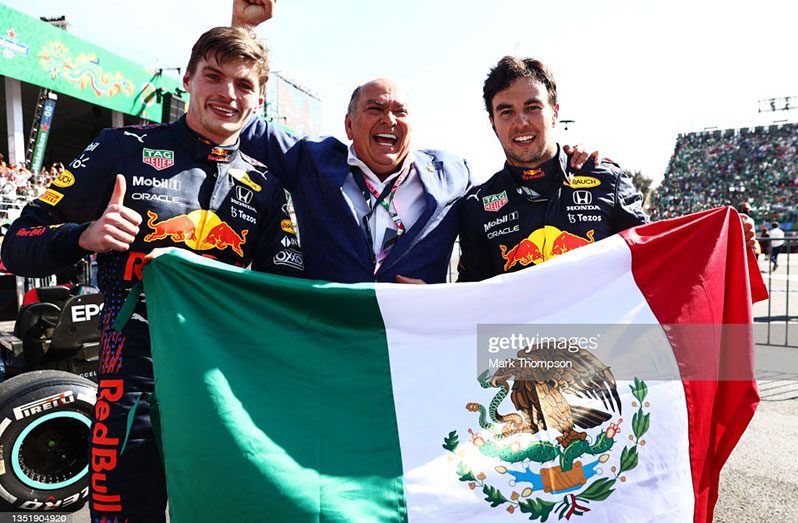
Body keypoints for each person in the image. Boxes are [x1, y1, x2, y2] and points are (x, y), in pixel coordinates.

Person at [1, 26, 301, 521]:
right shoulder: (121, 148)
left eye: (244, 85)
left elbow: (286, 296)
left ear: (260, 97)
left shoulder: (266, 186)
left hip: (220, 393)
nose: (227, 94)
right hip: (129, 392)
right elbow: (15, 247)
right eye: (214, 77)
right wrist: (84, 235)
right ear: (187, 79)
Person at [231, 1, 595, 284]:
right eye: (375, 108)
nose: (389, 119)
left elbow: (512, 198)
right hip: (331, 350)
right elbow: (239, 117)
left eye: (400, 111)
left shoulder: (452, 174)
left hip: (415, 357)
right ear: (349, 124)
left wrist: (565, 161)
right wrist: (243, 27)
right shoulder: (310, 160)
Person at [457, 57, 648, 281]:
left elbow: (653, 261)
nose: (521, 122)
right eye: (506, 112)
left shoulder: (607, 180)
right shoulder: (477, 205)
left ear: (555, 113)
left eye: (533, 107)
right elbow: (470, 297)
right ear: (492, 122)